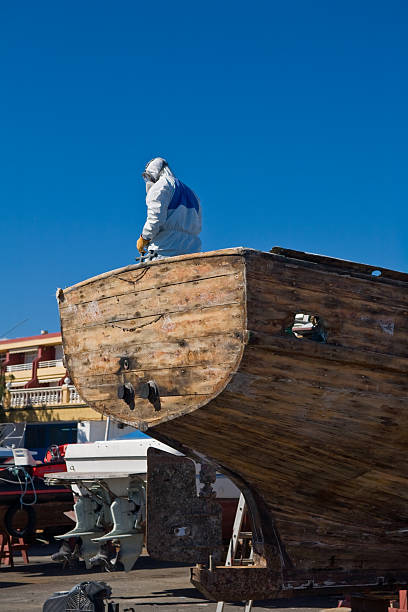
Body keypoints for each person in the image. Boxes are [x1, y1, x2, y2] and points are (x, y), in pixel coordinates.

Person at [137, 157, 202, 260]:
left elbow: (155, 218)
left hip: (164, 249)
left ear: (154, 172)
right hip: (191, 251)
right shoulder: (191, 193)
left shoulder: (161, 185)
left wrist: (144, 237)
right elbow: (198, 226)